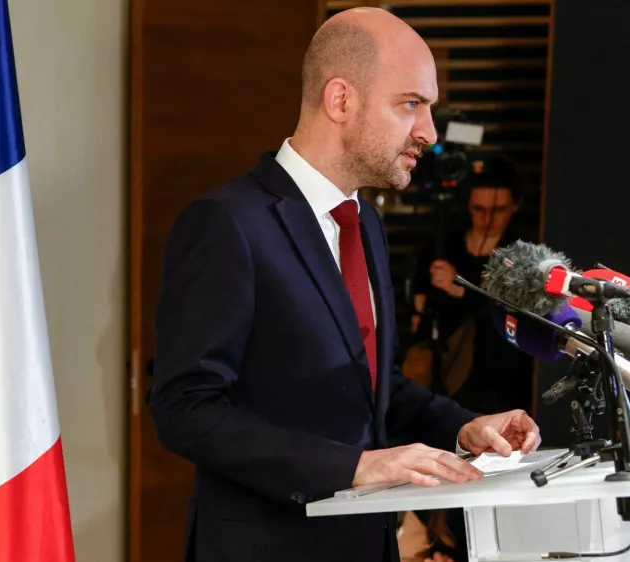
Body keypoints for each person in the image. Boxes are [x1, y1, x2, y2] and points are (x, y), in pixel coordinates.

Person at [147, 8, 541, 562]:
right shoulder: (226, 222)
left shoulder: (366, 224)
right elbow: (185, 409)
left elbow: (374, 387)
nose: (429, 132)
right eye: (411, 104)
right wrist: (354, 466)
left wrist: (465, 428)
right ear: (340, 100)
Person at [403, 156, 533, 562]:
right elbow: (419, 306)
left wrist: (461, 291)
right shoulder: (446, 242)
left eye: (498, 210)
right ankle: (438, 542)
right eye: (479, 209)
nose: (487, 218)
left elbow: (517, 312)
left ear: (515, 206)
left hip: (501, 377)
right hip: (447, 373)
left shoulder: (521, 253)